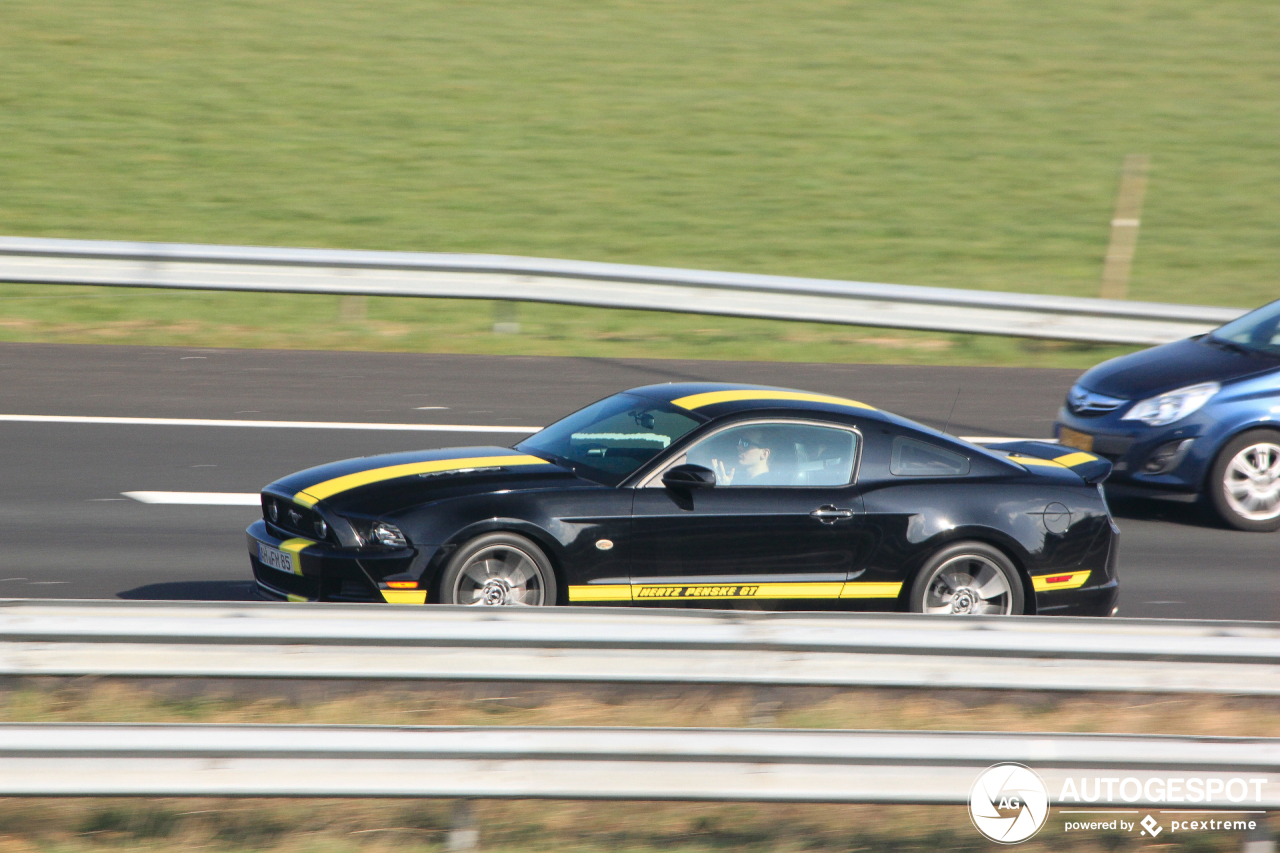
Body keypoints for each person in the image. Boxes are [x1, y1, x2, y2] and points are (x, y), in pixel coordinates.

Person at [711, 428, 784, 485]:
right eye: (740, 442)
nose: (739, 447)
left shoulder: (764, 486)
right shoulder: (742, 480)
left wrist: (724, 489)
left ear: (764, 454)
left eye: (746, 443)